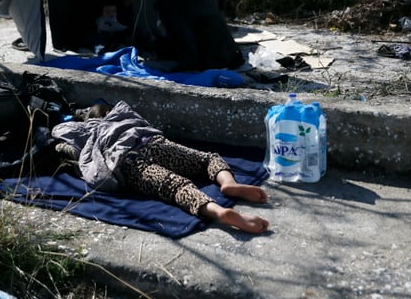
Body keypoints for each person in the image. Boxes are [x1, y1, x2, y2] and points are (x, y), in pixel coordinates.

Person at [51, 100, 270, 234]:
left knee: (175, 188)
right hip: (153, 144)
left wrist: (78, 130)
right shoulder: (124, 116)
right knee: (207, 159)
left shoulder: (87, 131)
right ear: (108, 112)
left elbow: (62, 139)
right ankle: (228, 183)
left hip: (126, 162)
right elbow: (138, 119)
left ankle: (219, 212)